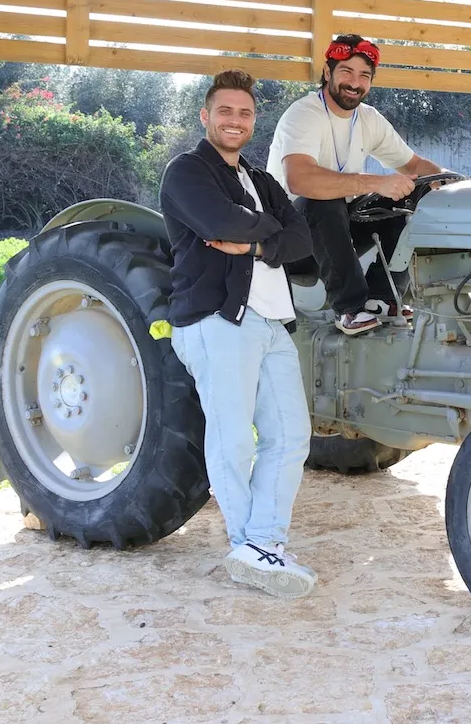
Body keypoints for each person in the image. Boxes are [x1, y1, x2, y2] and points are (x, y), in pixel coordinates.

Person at [159, 69, 318, 599]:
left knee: (291, 436)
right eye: (224, 111)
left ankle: (263, 542)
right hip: (218, 320)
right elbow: (219, 221)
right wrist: (265, 231)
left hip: (271, 321)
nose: (235, 120)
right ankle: (246, 542)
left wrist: (253, 243)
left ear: (254, 121)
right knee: (231, 439)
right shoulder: (186, 172)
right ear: (205, 116)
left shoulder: (259, 178)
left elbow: (301, 238)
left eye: (244, 113)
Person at [267, 34, 447, 336]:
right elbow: (300, 180)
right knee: (322, 199)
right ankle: (350, 308)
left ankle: (383, 297)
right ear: (328, 73)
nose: (355, 82)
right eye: (346, 72)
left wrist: (449, 182)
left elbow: (415, 166)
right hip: (290, 242)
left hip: (335, 232)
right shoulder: (303, 114)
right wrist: (378, 182)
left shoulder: (368, 119)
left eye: (364, 75)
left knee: (408, 196)